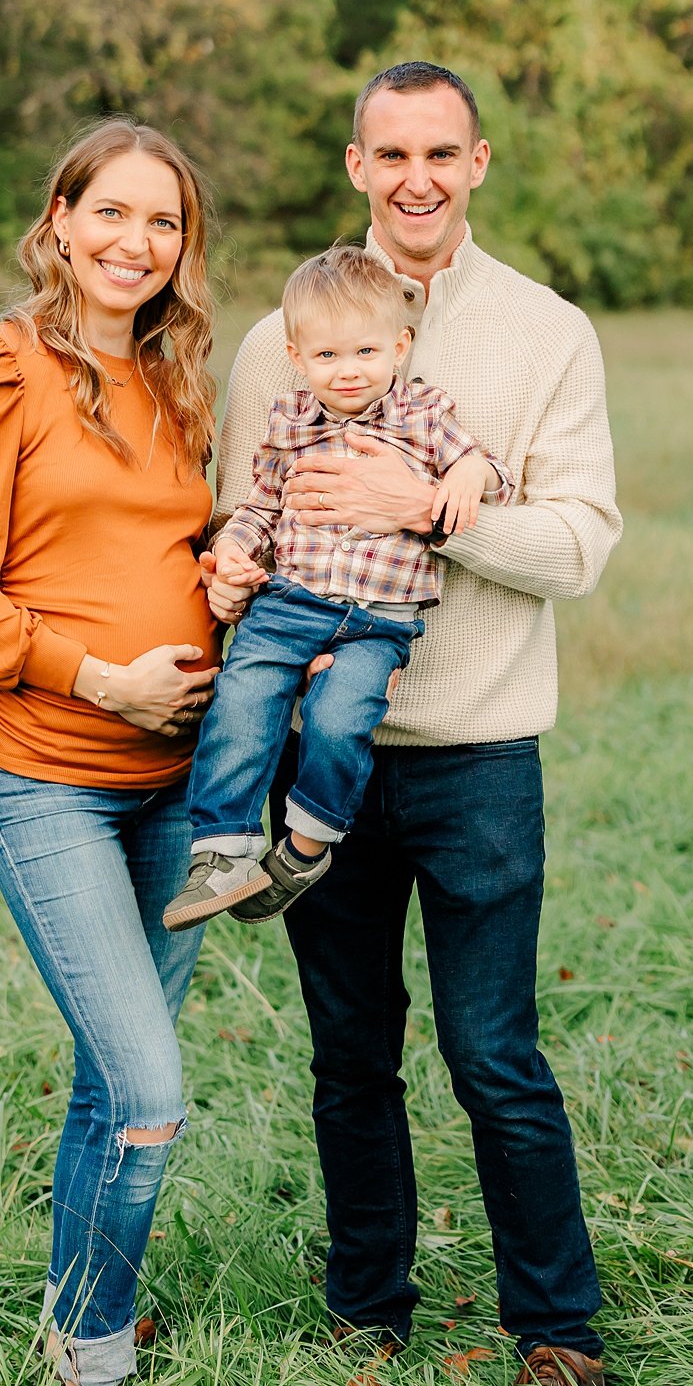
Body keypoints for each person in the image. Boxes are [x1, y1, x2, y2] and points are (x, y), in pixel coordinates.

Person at [216, 60, 623, 1386]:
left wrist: (433, 505)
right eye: (392, 155)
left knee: (494, 1050)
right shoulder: (283, 336)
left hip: (478, 755)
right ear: (355, 165)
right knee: (350, 1050)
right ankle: (365, 1311)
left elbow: (580, 541)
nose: (418, 179)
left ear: (480, 160)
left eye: (442, 153)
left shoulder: (546, 331)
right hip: (322, 758)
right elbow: (243, 517)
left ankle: (557, 1328)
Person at [0, 118, 221, 1386]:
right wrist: (108, 680)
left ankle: (84, 1342)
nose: (134, 243)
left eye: (164, 223)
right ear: (60, 218)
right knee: (150, 1089)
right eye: (113, 213)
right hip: (50, 778)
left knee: (115, 1078)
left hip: (183, 786)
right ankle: (94, 1350)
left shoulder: (178, 382)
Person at [162, 244, 510, 931]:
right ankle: (222, 850)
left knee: (338, 718)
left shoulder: (424, 413)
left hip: (381, 617)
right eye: (326, 357)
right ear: (296, 356)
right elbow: (259, 509)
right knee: (241, 697)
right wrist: (232, 547)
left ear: (398, 347)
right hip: (289, 605)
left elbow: (486, 466)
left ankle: (306, 847)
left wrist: (468, 476)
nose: (347, 372)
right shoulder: (291, 424)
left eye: (364, 353)